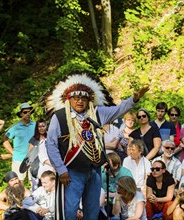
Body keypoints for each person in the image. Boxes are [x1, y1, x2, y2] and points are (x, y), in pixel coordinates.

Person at [45, 72, 149, 220]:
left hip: (94, 171)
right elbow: (51, 145)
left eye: (83, 98)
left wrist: (134, 98)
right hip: (71, 172)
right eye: (76, 98)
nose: (80, 101)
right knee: (69, 211)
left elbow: (119, 110)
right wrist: (61, 170)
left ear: (89, 100)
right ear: (69, 99)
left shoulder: (97, 113)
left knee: (93, 210)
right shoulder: (60, 116)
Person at [3, 102, 36, 181]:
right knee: (18, 182)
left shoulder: (35, 125)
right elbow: (5, 140)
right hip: (19, 158)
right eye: (25, 112)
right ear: (21, 114)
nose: (27, 114)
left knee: (34, 182)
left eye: (29, 112)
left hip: (33, 158)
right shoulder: (15, 127)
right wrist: (13, 152)